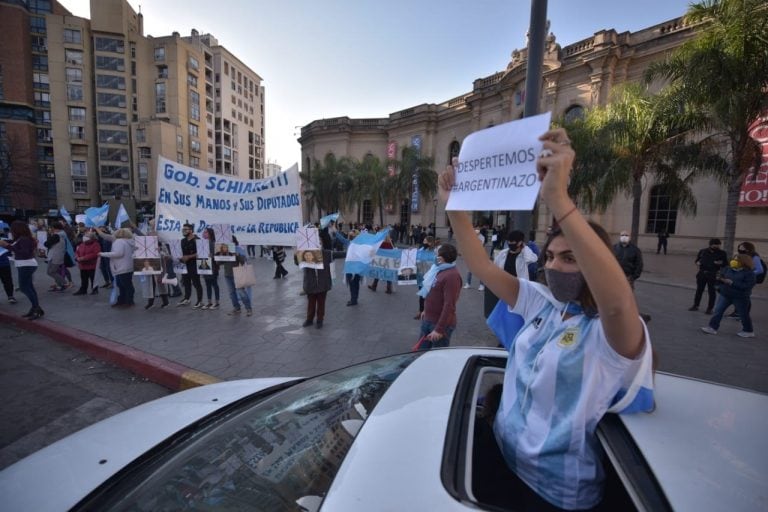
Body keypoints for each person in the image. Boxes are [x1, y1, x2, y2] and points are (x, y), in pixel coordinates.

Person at [441, 127, 654, 511]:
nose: (554, 265)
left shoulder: (612, 333)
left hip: (556, 493)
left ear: (595, 262)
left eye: (570, 258)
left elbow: (619, 304)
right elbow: (481, 266)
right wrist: (455, 206)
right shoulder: (542, 302)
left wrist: (557, 198)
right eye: (552, 257)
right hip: (504, 457)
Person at [416, 243, 462, 349]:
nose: (434, 257)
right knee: (420, 354)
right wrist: (426, 310)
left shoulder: (452, 276)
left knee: (437, 357)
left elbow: (449, 305)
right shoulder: (439, 270)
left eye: (436, 254)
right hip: (428, 320)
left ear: (441, 258)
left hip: (439, 325)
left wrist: (439, 329)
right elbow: (434, 293)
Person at [700, 253, 756, 338]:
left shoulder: (749, 273)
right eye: (734, 259)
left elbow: (747, 286)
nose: (734, 261)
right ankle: (712, 327)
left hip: (740, 297)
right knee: (718, 311)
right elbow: (721, 278)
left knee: (743, 314)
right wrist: (718, 285)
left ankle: (748, 331)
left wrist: (732, 283)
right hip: (725, 294)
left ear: (744, 262)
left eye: (737, 260)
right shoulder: (728, 269)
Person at [0, 221, 41, 318]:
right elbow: (15, 245)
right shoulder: (22, 238)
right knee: (29, 287)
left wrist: (7, 246)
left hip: (26, 265)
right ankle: (36, 308)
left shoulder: (24, 239)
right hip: (25, 264)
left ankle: (36, 308)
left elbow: (24, 253)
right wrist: (8, 243)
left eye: (12, 229)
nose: (11, 230)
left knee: (24, 287)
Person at [96, 227, 136, 307]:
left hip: (121, 266)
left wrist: (103, 254)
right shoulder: (130, 241)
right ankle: (126, 300)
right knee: (126, 284)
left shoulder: (119, 242)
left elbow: (118, 253)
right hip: (128, 266)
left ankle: (126, 301)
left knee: (122, 285)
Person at [301, 230, 332, 328]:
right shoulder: (305, 254)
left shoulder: (326, 253)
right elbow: (297, 262)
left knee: (321, 303)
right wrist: (295, 253)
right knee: (311, 303)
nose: (318, 244)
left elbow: (340, 254)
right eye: (316, 242)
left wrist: (352, 251)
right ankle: (309, 319)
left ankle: (320, 320)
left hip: (323, 284)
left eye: (320, 242)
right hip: (311, 283)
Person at [725, 241, 764, 319]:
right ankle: (737, 313)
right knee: (739, 295)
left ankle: (743, 314)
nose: (740, 248)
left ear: (748, 248)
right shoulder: (741, 256)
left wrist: (748, 274)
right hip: (740, 278)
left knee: (745, 296)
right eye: (739, 247)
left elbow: (760, 270)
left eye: (742, 247)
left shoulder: (754, 257)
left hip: (748, 279)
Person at [689, 238, 728, 314]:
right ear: (711, 244)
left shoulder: (722, 253)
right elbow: (697, 260)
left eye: (718, 245)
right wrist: (697, 263)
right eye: (715, 244)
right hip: (702, 273)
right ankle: (695, 305)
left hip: (713, 274)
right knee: (699, 290)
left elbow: (725, 263)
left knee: (712, 292)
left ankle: (710, 308)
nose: (717, 246)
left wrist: (720, 263)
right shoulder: (703, 251)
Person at [218, 239, 252, 316]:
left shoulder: (239, 249)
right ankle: (237, 308)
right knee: (231, 293)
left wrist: (237, 255)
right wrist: (219, 256)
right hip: (228, 275)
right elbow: (218, 263)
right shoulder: (224, 252)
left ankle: (248, 308)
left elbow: (244, 261)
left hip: (237, 275)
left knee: (241, 293)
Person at [178, 223, 203, 308]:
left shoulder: (197, 240)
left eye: (185, 229)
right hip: (185, 265)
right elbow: (180, 252)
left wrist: (189, 256)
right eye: (183, 230)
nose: (183, 231)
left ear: (191, 230)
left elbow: (201, 253)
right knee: (186, 282)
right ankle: (187, 298)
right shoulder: (182, 241)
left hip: (194, 264)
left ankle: (200, 301)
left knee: (196, 283)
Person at [414, 236, 436, 319]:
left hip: (430, 277)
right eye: (423, 240)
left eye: (425, 241)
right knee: (422, 296)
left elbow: (435, 264)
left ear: (430, 243)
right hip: (421, 277)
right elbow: (416, 258)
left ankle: (430, 313)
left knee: (430, 296)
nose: (423, 242)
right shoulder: (421, 250)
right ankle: (421, 312)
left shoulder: (435, 252)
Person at [73, 230, 100, 295]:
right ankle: (83, 290)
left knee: (93, 278)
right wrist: (77, 257)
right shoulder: (82, 244)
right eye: (85, 236)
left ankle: (94, 289)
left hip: (91, 264)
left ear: (92, 238)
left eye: (87, 236)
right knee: (83, 278)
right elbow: (77, 252)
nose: (85, 237)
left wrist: (84, 258)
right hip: (82, 265)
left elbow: (95, 254)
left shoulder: (96, 244)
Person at [43, 221, 68, 291]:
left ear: (54, 228)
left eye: (51, 228)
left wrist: (50, 236)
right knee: (55, 271)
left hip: (54, 256)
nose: (50, 229)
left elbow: (46, 244)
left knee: (51, 272)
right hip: (58, 255)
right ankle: (60, 285)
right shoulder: (62, 234)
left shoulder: (57, 235)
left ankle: (64, 283)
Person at [201, 228, 220, 309]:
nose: (204, 233)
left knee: (214, 284)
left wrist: (213, 256)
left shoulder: (213, 243)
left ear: (210, 234)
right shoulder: (202, 243)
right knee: (207, 284)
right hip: (204, 265)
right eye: (203, 232)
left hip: (213, 267)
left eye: (206, 232)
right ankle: (209, 302)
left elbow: (219, 255)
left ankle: (217, 302)